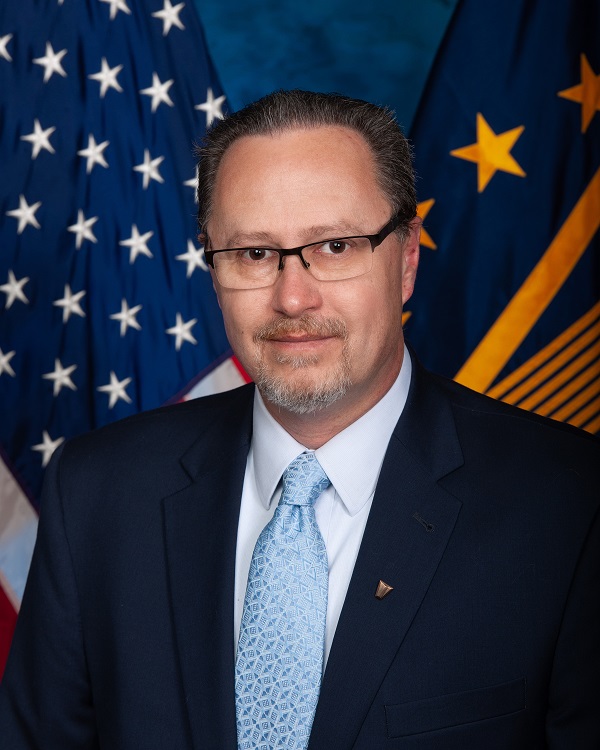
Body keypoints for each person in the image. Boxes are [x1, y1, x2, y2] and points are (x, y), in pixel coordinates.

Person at [0, 90, 598, 750]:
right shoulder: (96, 492)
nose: (292, 296)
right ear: (212, 265)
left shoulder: (569, 506)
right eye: (254, 253)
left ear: (405, 261)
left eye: (335, 246)